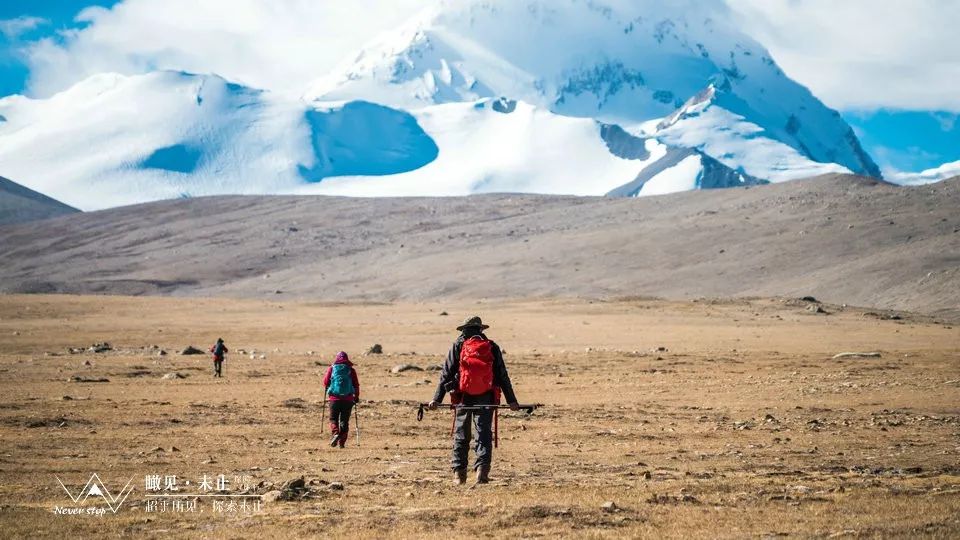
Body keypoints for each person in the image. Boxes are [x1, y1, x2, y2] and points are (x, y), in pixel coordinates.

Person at [429, 316, 519, 485]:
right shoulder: (491, 347)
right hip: (486, 396)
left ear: (464, 329)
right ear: (480, 330)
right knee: (483, 433)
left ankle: (459, 474)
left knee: (461, 434)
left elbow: (445, 374)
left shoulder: (458, 345)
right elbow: (502, 376)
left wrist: (436, 399)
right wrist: (512, 401)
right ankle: (482, 472)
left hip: (462, 396)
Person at [323, 351, 360, 448]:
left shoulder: (332, 368)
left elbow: (325, 382)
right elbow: (356, 385)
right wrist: (356, 397)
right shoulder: (351, 370)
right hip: (348, 399)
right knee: (344, 421)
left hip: (334, 399)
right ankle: (342, 443)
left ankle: (335, 433)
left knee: (333, 419)